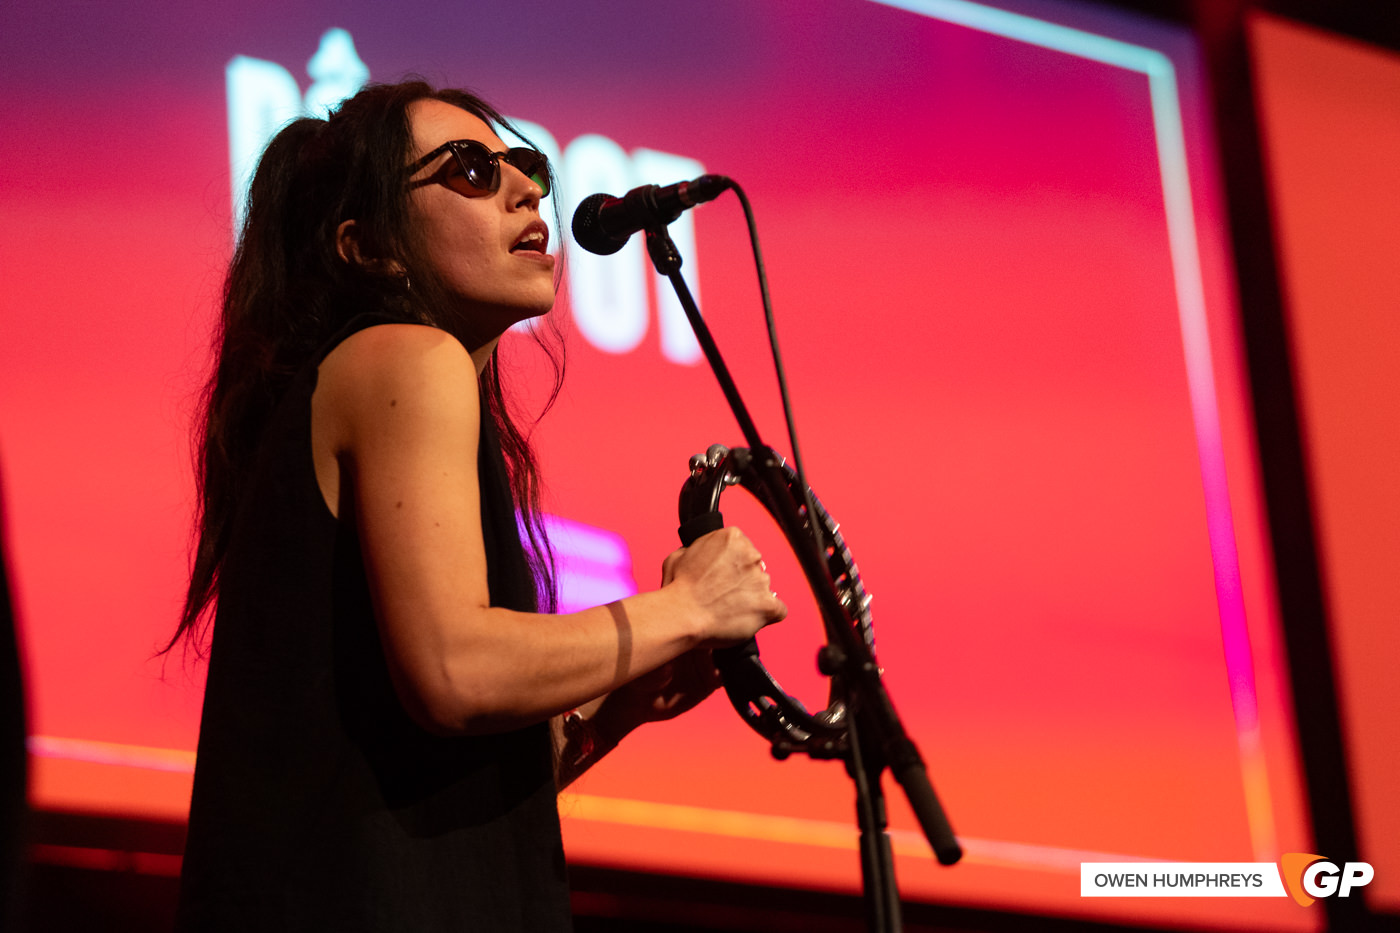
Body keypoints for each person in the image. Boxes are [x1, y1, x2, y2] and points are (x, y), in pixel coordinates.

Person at [170, 80, 786, 931]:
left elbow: (426, 779)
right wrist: (685, 606)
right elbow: (455, 672)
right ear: (370, 246)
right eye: (469, 170)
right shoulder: (405, 357)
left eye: (526, 165)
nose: (527, 188)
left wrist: (622, 703)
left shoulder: (396, 378)